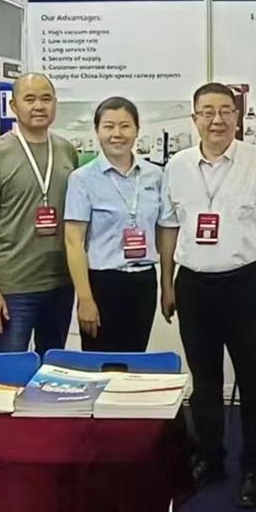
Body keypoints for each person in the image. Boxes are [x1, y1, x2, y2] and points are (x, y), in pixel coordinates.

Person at [158, 82, 256, 509]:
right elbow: (169, 226)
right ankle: (210, 458)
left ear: (238, 116)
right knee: (205, 381)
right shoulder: (177, 166)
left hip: (247, 282)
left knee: (254, 380)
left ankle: (255, 467)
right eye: (207, 112)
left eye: (226, 111)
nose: (217, 120)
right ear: (194, 118)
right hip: (194, 285)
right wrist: (167, 283)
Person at [0, 73, 78, 355]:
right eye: (29, 99)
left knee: (52, 367)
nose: (39, 106)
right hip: (13, 287)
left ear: (55, 104)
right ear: (13, 106)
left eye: (46, 98)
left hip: (60, 283)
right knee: (8, 371)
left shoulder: (66, 151)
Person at [64, 97, 163, 352]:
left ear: (137, 130)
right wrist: (85, 298)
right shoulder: (82, 179)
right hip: (102, 283)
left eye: (125, 126)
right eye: (108, 126)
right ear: (97, 131)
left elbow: (163, 232)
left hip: (143, 282)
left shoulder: (155, 175)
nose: (117, 134)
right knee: (101, 364)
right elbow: (73, 241)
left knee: (135, 360)